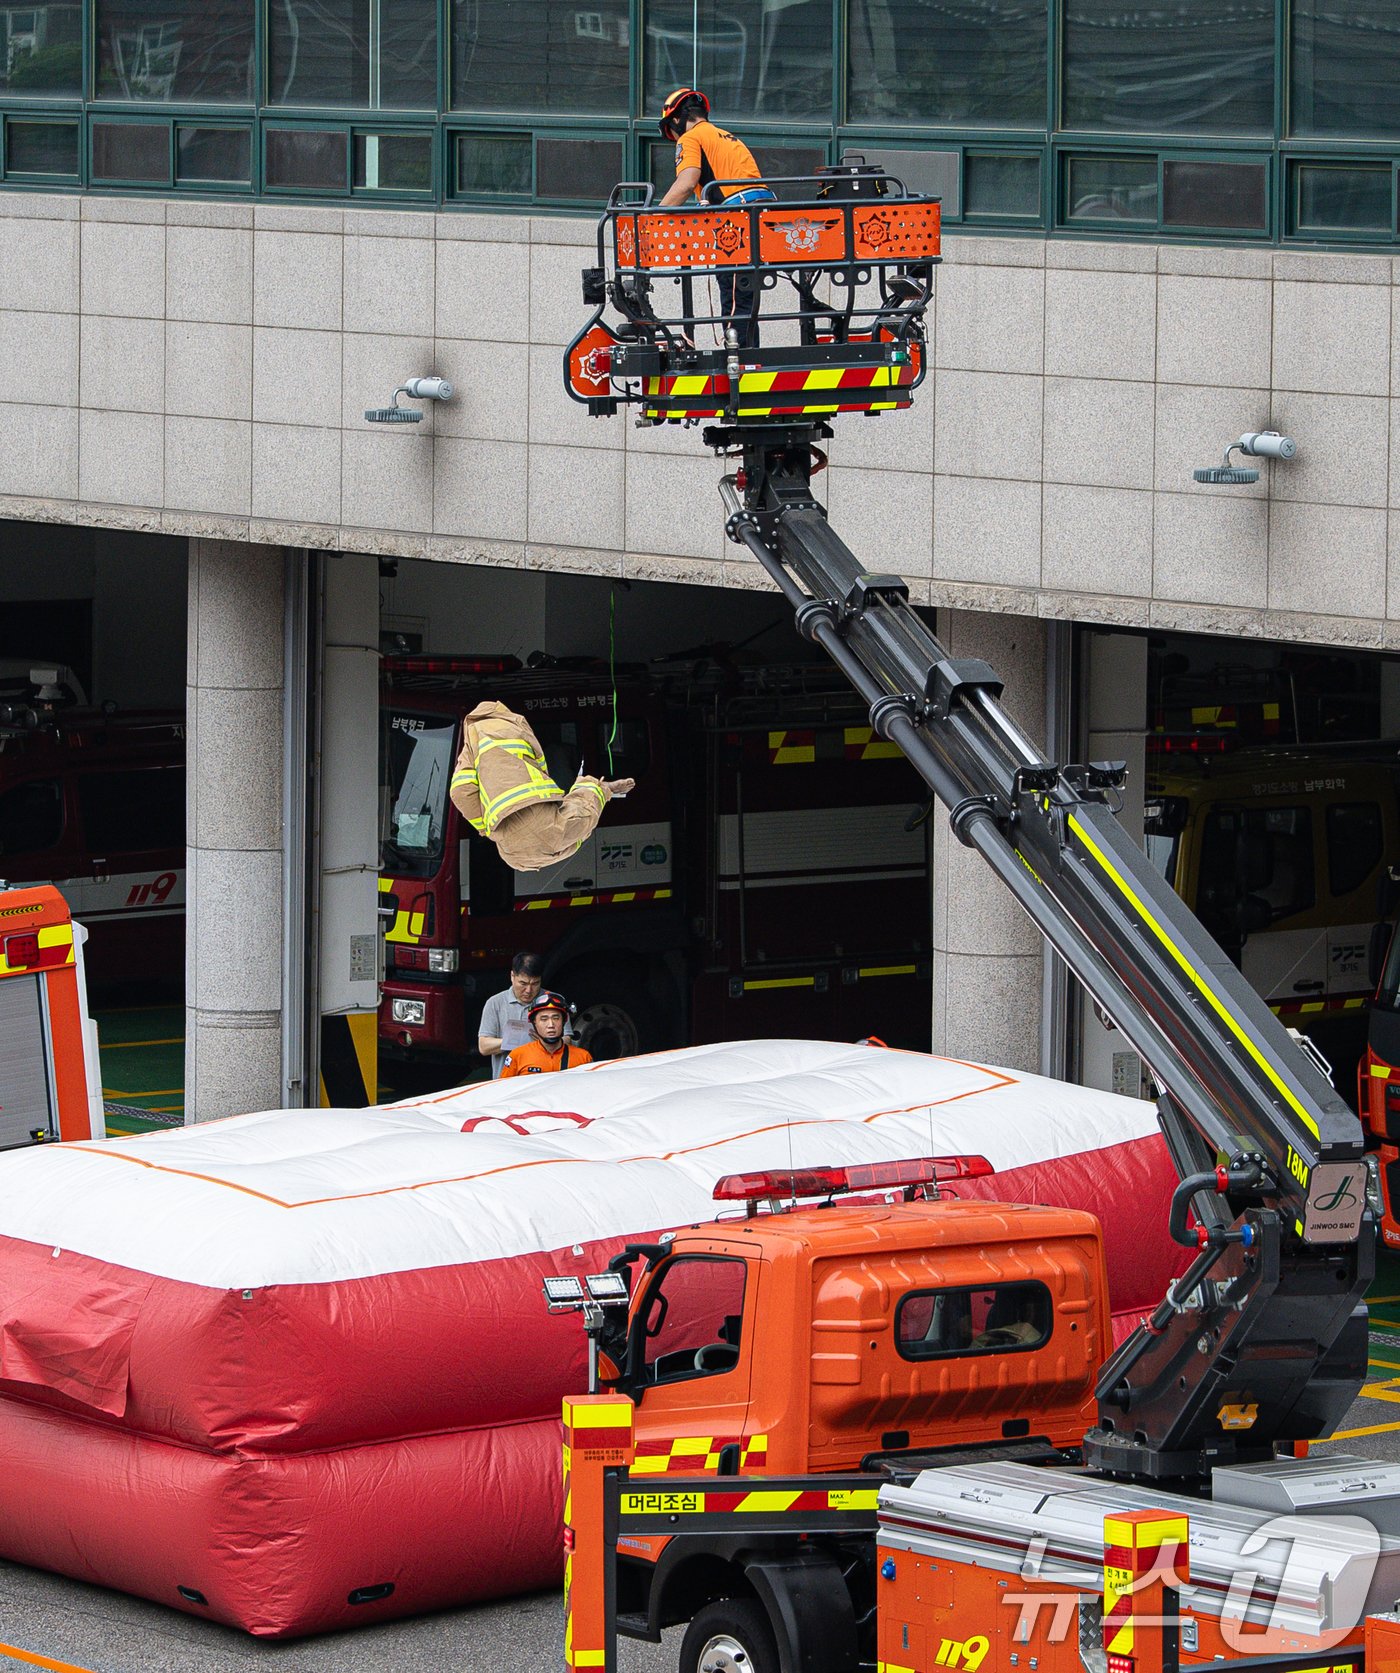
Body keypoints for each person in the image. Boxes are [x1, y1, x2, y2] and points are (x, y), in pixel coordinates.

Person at [450, 700, 633, 874]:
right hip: (540, 820)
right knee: (583, 816)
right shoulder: (516, 722)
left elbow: (460, 790)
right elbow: (540, 763)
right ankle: (600, 788)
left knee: (575, 834)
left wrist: (487, 827)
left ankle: (599, 790)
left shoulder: (472, 737)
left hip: (510, 850)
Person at [656, 87, 774, 348]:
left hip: (735, 221)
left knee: (733, 293)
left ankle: (739, 359)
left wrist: (654, 216)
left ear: (676, 119)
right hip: (760, 216)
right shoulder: (728, 137)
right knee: (745, 295)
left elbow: (686, 182)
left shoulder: (690, 138)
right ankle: (748, 353)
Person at [477, 952, 571, 1079]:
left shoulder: (554, 1001)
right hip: (505, 1082)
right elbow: (484, 1046)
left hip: (544, 1080)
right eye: (523, 983)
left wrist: (546, 1041)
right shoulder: (495, 1003)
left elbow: (568, 1040)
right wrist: (516, 1041)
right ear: (512, 976)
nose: (528, 990)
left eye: (535, 984)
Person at [500, 991, 593, 1078]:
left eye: (556, 1018)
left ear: (564, 1022)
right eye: (544, 1019)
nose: (551, 1025)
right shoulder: (517, 1056)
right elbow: (503, 1090)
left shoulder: (583, 1057)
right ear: (534, 1023)